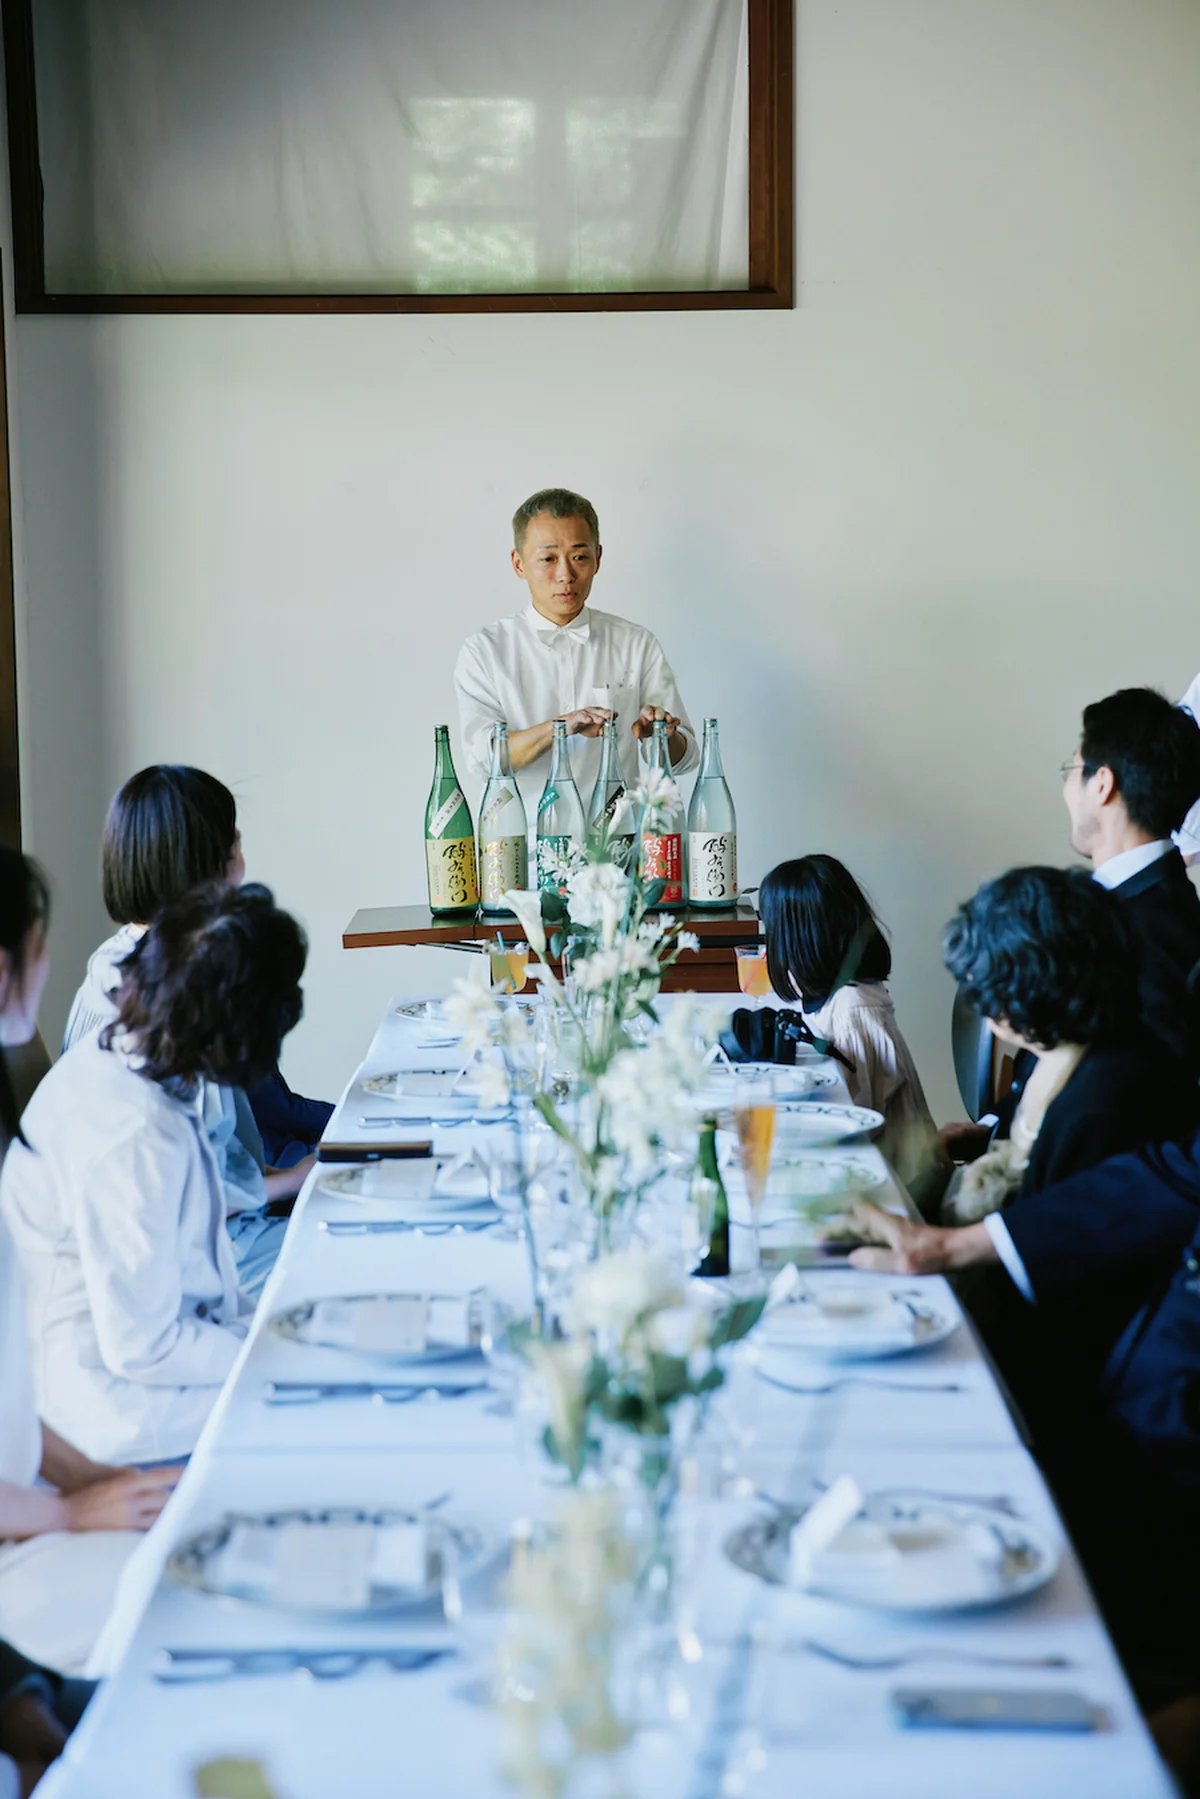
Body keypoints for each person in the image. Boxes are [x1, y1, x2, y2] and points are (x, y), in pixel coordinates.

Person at [2, 882, 306, 1467]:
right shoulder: (133, 1137)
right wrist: (271, 1350)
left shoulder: (134, 1057)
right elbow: (146, 1347)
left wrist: (264, 1334)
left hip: (152, 1356)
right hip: (115, 1409)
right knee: (320, 1408)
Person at [0, 848, 179, 1680]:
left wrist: (104, 1479)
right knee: (189, 1589)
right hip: (22, 1545)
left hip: (34, 1503)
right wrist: (70, 1512)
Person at [63, 766, 332, 1293]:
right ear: (209, 868)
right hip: (205, 1260)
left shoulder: (114, 962)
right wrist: (297, 1177)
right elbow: (183, 1190)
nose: (244, 863)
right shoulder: (171, 995)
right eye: (235, 846)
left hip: (202, 1234)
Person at [942, 685, 1200, 1169]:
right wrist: (994, 1129)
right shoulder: (1127, 907)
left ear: (1102, 784)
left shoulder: (1157, 934)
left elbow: (1132, 1110)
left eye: (1072, 771)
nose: (1067, 789)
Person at [939, 867, 1200, 1222]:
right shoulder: (1068, 1044)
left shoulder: (1097, 1108)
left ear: (1025, 990)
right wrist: (985, 1133)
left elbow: (1058, 1232)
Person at [453, 487, 698, 810]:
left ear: (597, 558)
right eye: (548, 559)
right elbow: (483, 760)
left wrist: (664, 737)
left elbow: (686, 759)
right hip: (522, 849)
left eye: (579, 557)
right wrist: (560, 728)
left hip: (619, 850)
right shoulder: (485, 651)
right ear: (519, 564)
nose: (565, 575)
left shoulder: (636, 643)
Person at [757, 855, 938, 1198]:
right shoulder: (835, 997)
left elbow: (855, 1119)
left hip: (897, 1183)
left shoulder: (852, 1011)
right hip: (876, 1169)